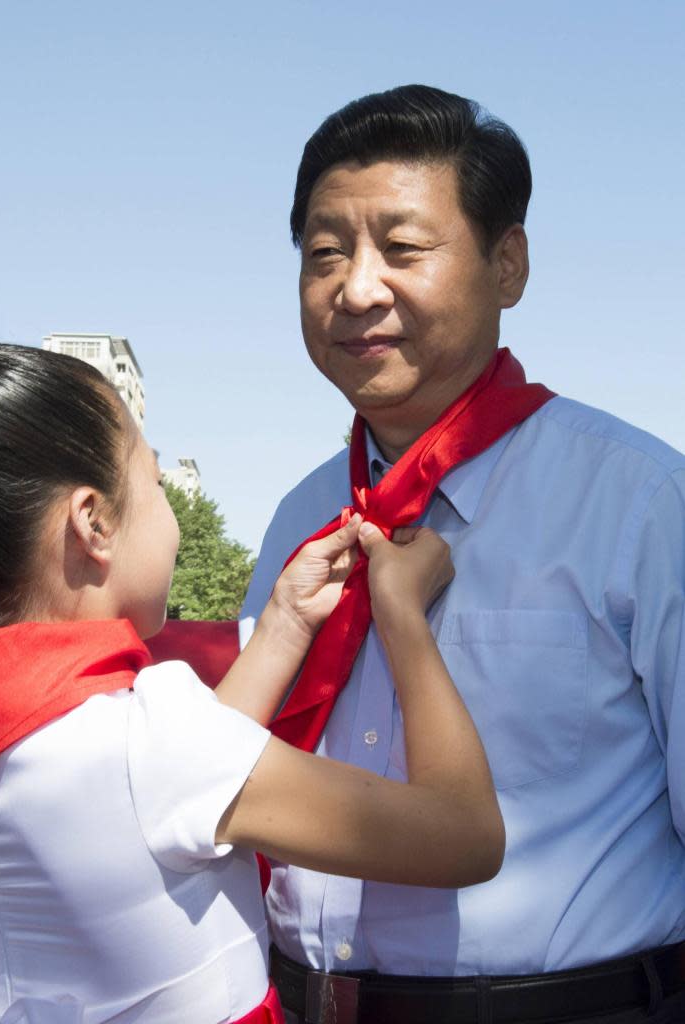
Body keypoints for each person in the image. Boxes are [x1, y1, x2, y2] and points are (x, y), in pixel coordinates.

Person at [0, 342, 503, 1024]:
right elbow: (465, 836)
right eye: (155, 481)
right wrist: (404, 616)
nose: (165, 500)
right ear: (94, 523)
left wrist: (284, 622)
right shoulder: (154, 742)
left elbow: (159, 815)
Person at [241, 84, 685, 1024]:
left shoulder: (642, 504)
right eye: (325, 254)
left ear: (507, 264)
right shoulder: (300, 521)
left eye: (403, 249)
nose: (357, 288)